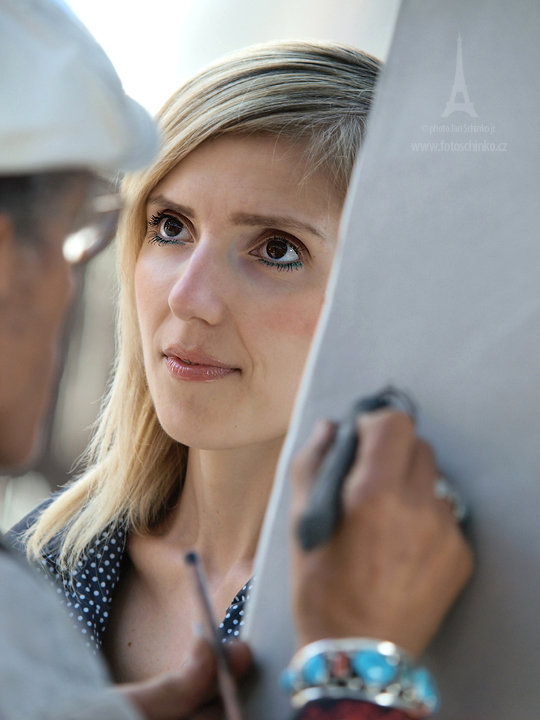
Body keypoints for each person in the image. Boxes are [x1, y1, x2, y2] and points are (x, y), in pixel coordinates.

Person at [9, 30, 473, 720]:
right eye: (170, 228)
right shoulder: (33, 565)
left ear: (389, 296)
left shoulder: (465, 599)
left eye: (277, 249)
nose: (187, 297)